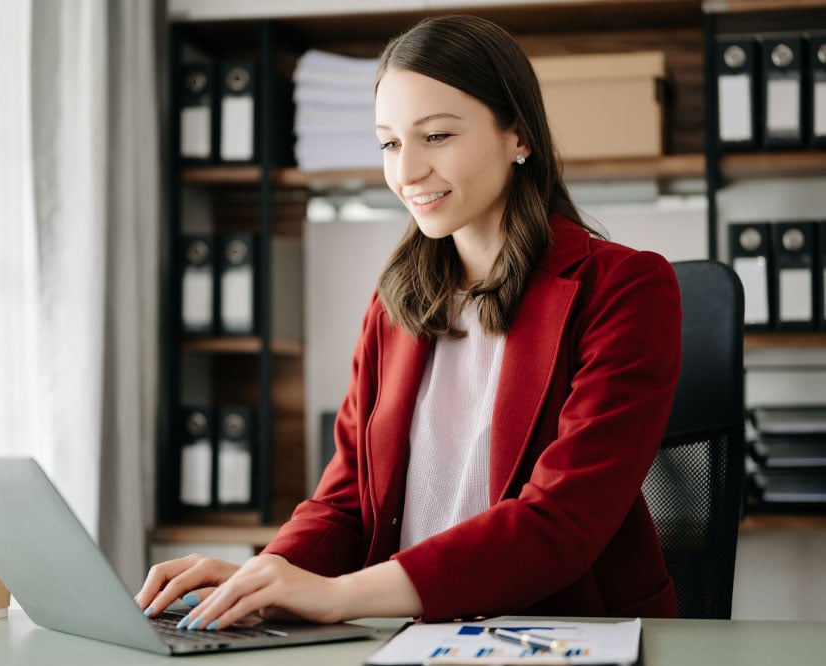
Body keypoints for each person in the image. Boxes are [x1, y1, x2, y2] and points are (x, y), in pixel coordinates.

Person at [136, 14, 681, 632]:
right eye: (391, 143)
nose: (407, 172)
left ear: (519, 135)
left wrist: (340, 597)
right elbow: (345, 502)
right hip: (408, 637)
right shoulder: (397, 303)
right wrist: (264, 577)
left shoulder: (625, 288)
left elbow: (561, 518)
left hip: (561, 637)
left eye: (437, 136)